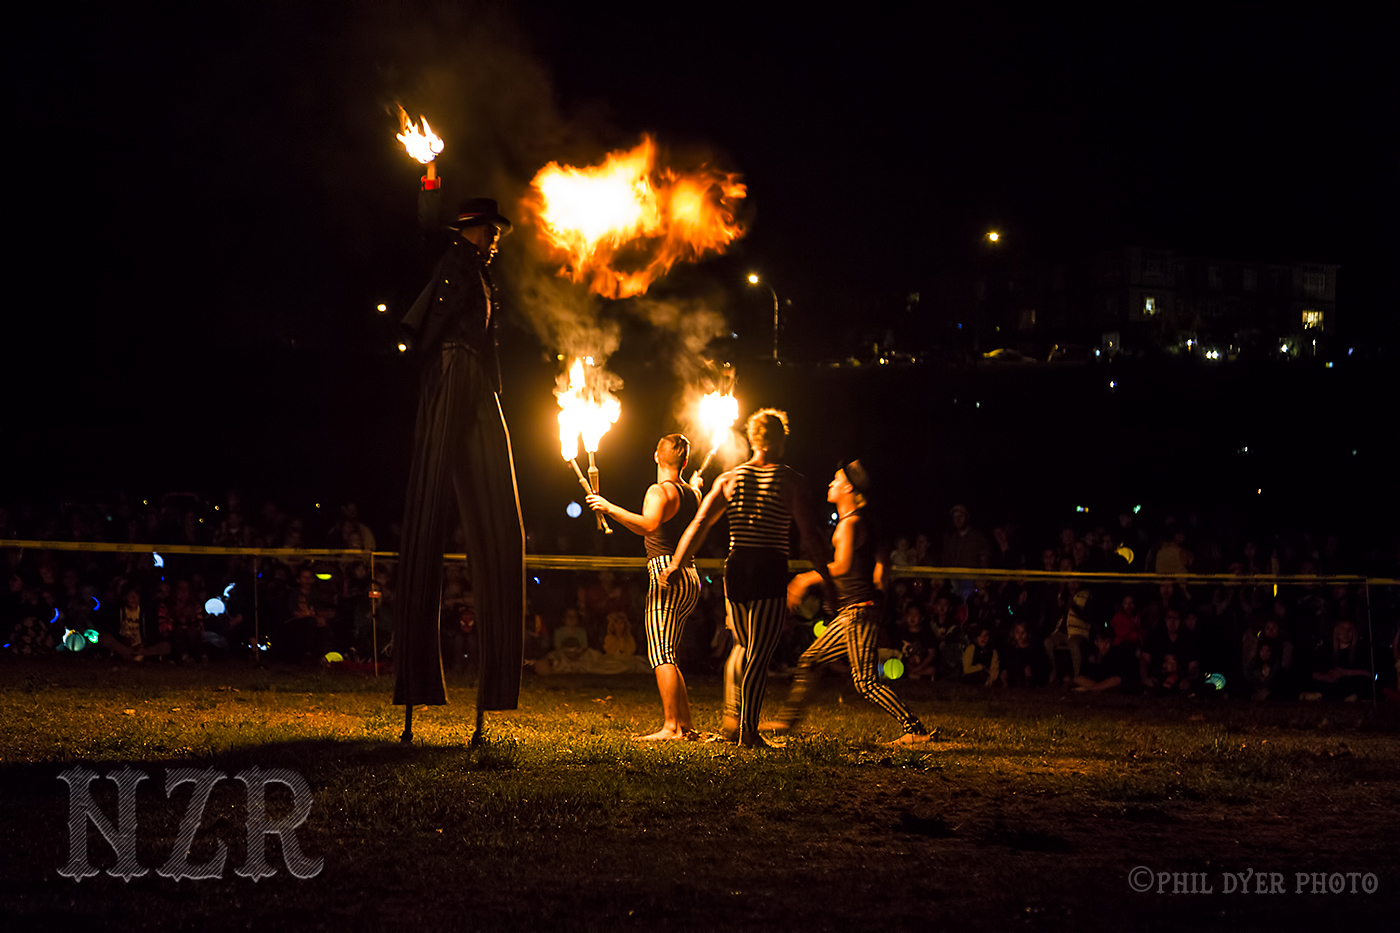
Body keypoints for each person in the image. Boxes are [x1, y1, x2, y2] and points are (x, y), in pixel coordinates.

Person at [393, 196, 526, 743]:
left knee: (502, 519)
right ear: (473, 229)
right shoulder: (451, 256)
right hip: (450, 365)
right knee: (429, 506)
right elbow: (423, 230)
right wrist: (427, 181)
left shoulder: (481, 273)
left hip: (475, 378)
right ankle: (417, 683)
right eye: (491, 229)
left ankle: (494, 689)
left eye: (497, 230)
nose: (496, 237)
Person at [662, 409, 831, 747]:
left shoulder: (730, 479)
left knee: (742, 645)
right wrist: (827, 575)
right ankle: (748, 733)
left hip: (736, 566)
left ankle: (731, 722)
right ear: (780, 440)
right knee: (759, 651)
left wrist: (677, 563)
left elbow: (700, 524)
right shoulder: (789, 480)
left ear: (754, 439)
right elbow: (809, 535)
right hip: (768, 566)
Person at [766, 461, 933, 743]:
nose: (830, 483)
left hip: (857, 612)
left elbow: (842, 566)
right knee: (811, 661)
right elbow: (882, 571)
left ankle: (914, 729)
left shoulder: (850, 524)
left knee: (865, 682)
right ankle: (786, 723)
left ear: (848, 488)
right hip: (856, 611)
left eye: (836, 479)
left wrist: (805, 579)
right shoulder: (864, 523)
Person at [587, 434, 703, 740]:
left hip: (666, 573)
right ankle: (686, 725)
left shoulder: (658, 490)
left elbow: (649, 524)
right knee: (670, 653)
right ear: (686, 462)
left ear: (656, 456)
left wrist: (608, 507)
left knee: (660, 654)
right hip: (690, 576)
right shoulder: (693, 493)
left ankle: (670, 727)